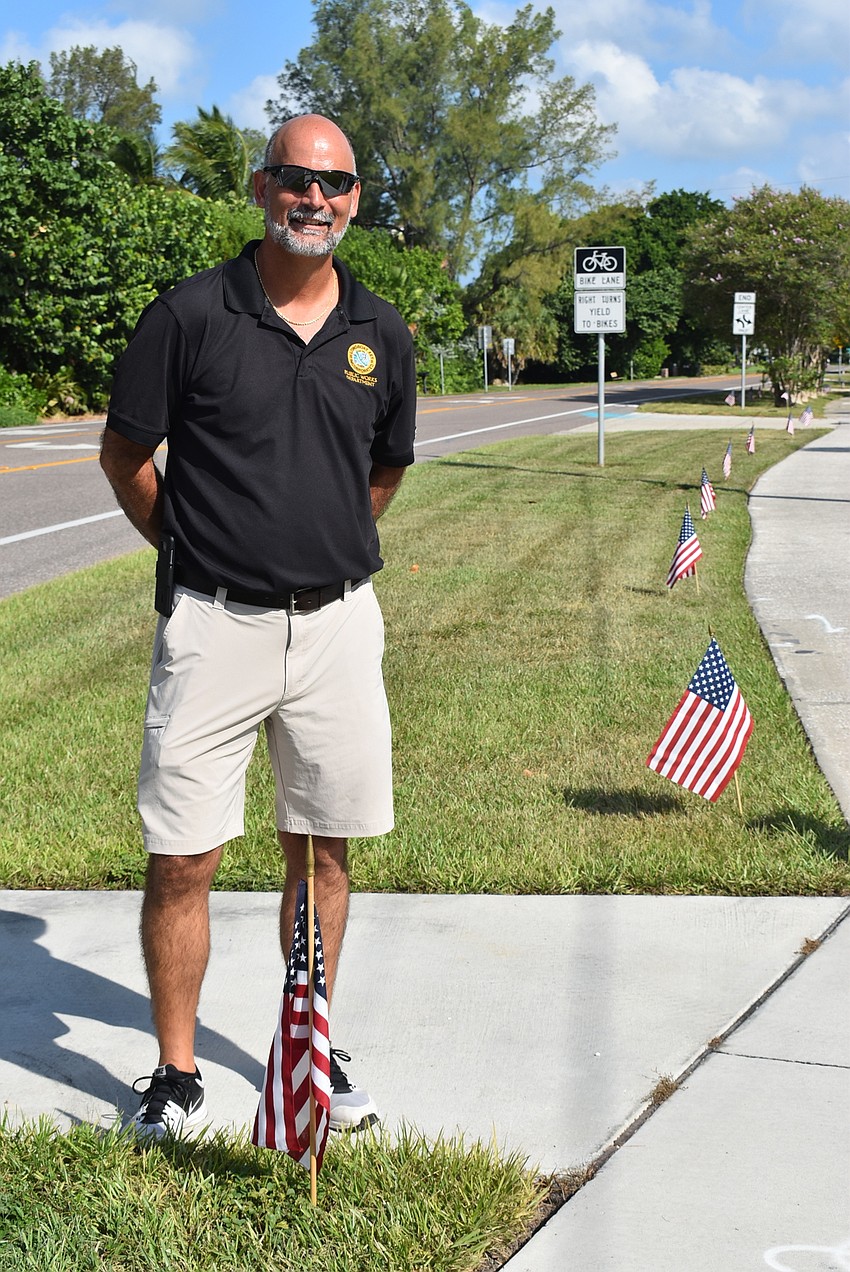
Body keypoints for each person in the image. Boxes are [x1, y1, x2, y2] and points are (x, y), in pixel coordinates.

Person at [100, 113, 416, 1140]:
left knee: (322, 851)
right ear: (261, 187)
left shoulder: (380, 331)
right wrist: (194, 547)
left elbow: (384, 470)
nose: (313, 199)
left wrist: (320, 548)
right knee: (182, 856)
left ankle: (308, 1048)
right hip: (213, 625)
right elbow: (124, 456)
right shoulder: (189, 315)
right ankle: (176, 1072)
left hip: (336, 629)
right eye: (294, 178)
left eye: (334, 184)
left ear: (355, 199)